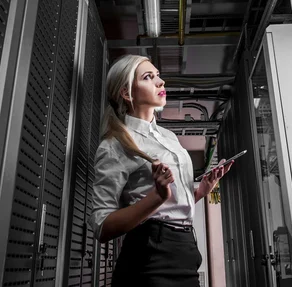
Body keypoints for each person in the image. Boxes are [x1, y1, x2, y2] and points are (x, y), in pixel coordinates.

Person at [89, 54, 233, 287]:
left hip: (185, 249)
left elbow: (168, 207)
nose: (160, 82)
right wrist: (157, 195)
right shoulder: (115, 145)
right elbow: (101, 225)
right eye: (148, 77)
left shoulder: (168, 137)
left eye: (158, 75)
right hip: (152, 255)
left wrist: (201, 191)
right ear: (127, 93)